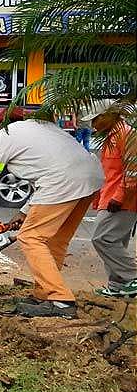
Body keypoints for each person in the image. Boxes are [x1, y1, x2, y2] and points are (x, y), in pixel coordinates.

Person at [0, 109, 104, 318]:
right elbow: (47, 171)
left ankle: (60, 300)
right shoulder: (45, 128)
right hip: (89, 178)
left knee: (30, 237)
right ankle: (44, 294)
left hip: (62, 182)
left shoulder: (4, 136)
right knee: (55, 241)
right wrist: (24, 211)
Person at [86, 104, 137, 297]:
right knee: (116, 240)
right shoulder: (112, 135)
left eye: (95, 119)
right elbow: (109, 172)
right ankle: (118, 285)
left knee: (102, 238)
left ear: (109, 115)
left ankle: (132, 276)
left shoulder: (127, 135)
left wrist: (119, 197)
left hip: (123, 200)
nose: (93, 125)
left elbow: (132, 172)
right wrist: (99, 197)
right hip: (112, 196)